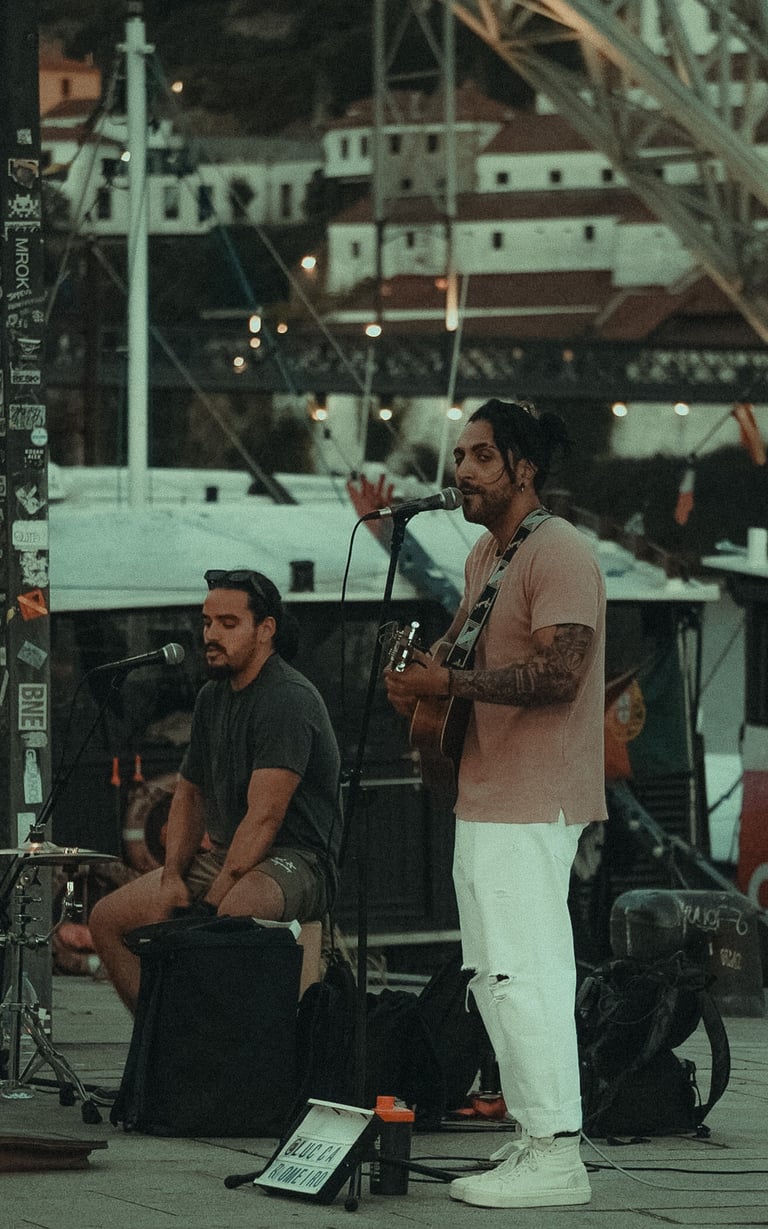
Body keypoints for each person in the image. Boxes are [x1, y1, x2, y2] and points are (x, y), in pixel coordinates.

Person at [385, 399, 607, 1209]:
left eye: (481, 456)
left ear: (523, 465)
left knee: (531, 975)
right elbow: (459, 652)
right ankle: (531, 1135)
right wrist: (418, 676)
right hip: (483, 791)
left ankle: (558, 1154)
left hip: (535, 794)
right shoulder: (489, 553)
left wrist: (448, 682)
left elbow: (561, 675)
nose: (463, 472)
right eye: (459, 458)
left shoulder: (562, 552)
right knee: (492, 975)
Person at [90, 568, 343, 1013]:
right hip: (229, 856)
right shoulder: (212, 697)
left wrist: (214, 896)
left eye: (228, 624)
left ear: (266, 630)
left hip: (300, 859)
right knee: (107, 920)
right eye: (207, 622)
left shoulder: (287, 698)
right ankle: (165, 1043)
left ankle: (243, 1052)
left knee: (231, 915)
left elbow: (265, 817)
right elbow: (188, 793)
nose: (211, 634)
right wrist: (171, 878)